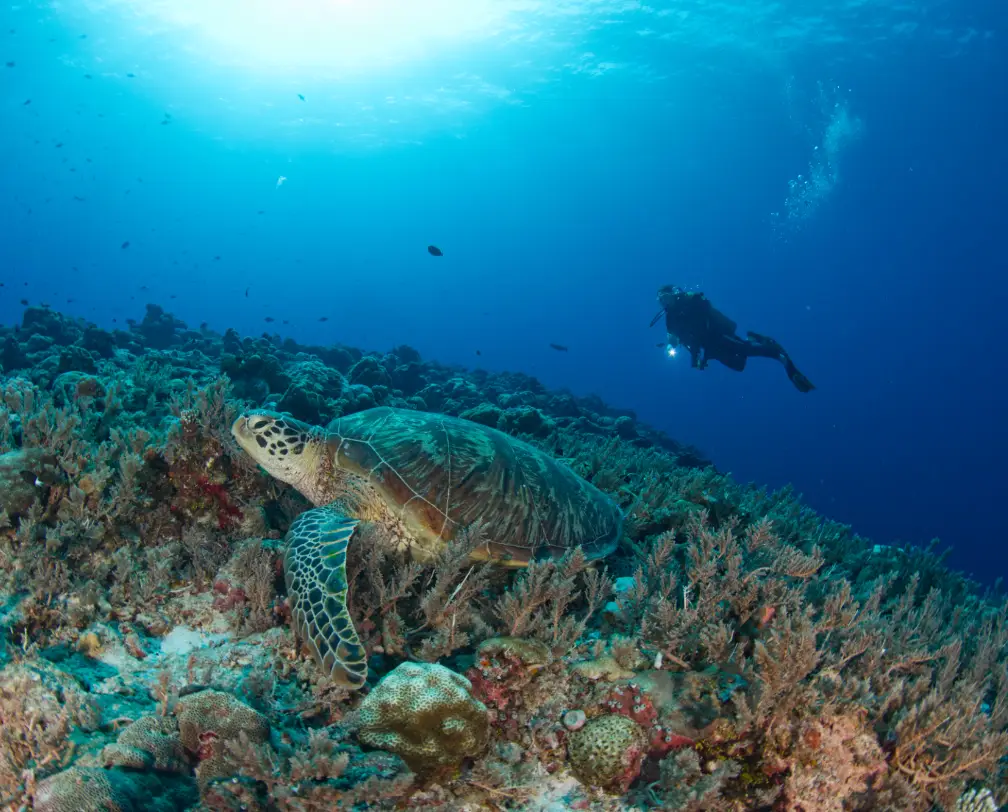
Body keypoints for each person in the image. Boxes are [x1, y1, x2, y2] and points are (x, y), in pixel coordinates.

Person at [650, 285, 815, 393]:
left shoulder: (689, 301)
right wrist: (691, 355)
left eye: (665, 297)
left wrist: (695, 351)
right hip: (708, 348)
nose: (664, 303)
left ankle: (778, 355)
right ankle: (752, 338)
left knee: (747, 350)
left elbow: (701, 318)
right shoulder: (670, 319)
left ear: (674, 294)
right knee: (739, 365)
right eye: (660, 300)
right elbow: (685, 340)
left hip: (719, 336)